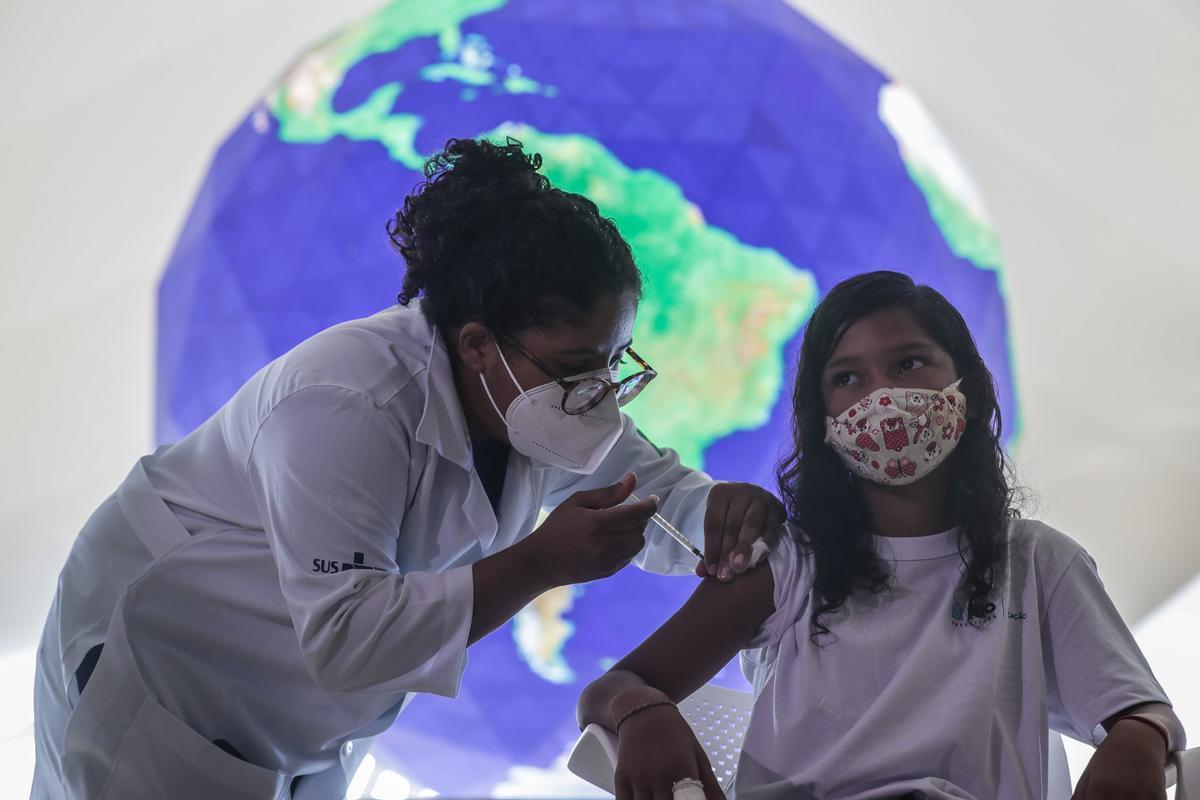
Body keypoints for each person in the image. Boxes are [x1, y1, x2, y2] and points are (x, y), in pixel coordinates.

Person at [31, 137, 784, 799]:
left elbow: (658, 491)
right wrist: (541, 562)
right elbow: (350, 638)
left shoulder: (537, 399)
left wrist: (718, 515)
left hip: (296, 726)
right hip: (171, 675)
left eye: (614, 366)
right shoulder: (347, 400)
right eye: (574, 369)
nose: (598, 399)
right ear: (477, 346)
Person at [578, 271, 1186, 799]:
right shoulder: (788, 565)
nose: (881, 397)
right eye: (847, 378)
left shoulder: (1036, 562)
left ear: (967, 392)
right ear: (822, 422)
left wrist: (1139, 736)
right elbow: (616, 688)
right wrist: (645, 712)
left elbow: (1138, 710)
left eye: (907, 364)